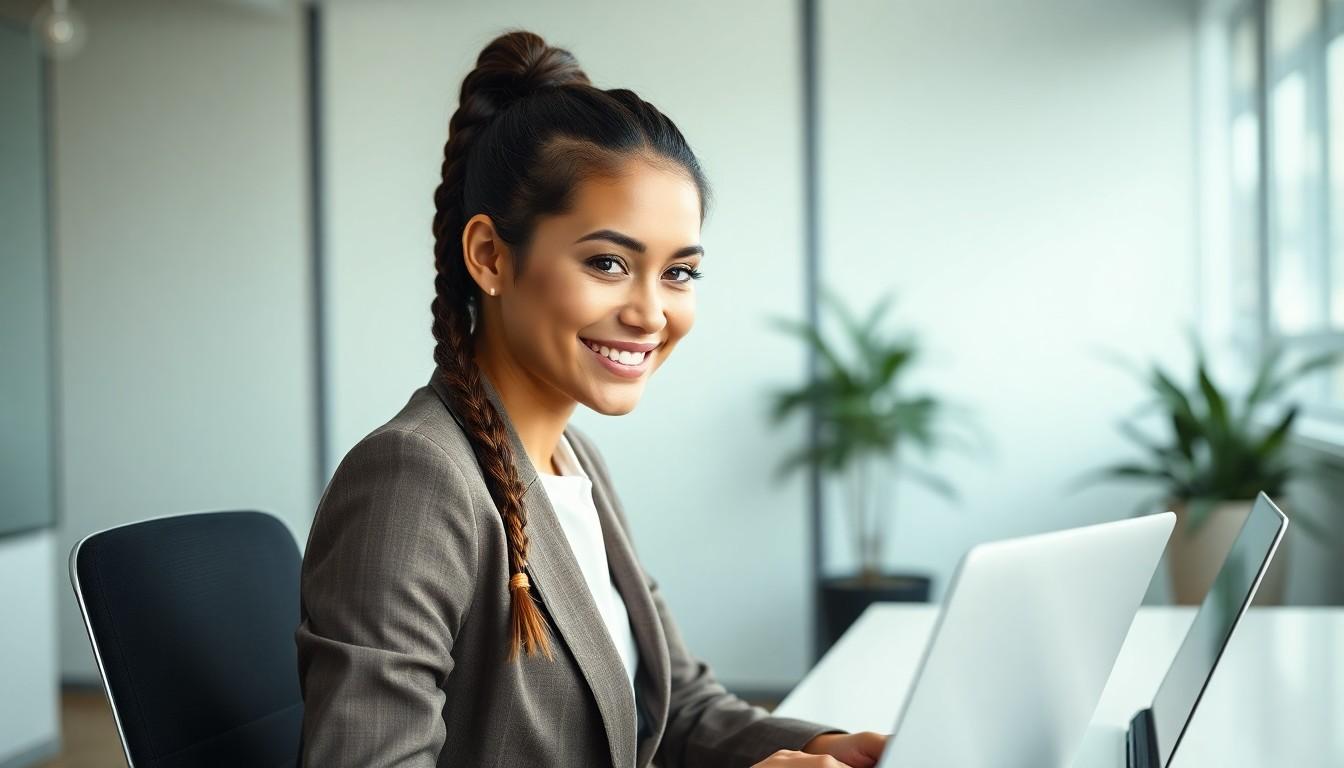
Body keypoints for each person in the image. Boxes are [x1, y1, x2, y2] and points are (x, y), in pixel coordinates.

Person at [294, 28, 888, 768]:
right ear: (489, 257)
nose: (650, 313)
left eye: (679, 273)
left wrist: (839, 747)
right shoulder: (415, 479)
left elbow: (678, 706)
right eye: (608, 262)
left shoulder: (575, 464)